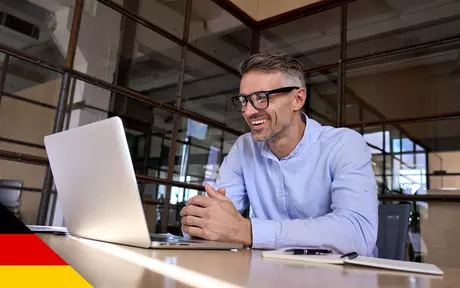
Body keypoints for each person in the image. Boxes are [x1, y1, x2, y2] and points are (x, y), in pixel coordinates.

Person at [180, 52, 378, 256]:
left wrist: (249, 231)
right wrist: (199, 220)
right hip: (269, 273)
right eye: (244, 100)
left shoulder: (344, 144)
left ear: (298, 99)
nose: (248, 112)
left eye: (261, 98)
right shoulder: (243, 148)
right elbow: (214, 223)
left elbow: (358, 233)